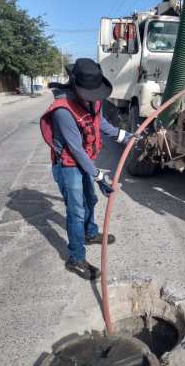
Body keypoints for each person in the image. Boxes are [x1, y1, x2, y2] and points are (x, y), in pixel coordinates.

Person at [40, 59, 143, 279]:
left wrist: (122, 135)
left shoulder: (92, 98)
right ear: (76, 85)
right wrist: (99, 176)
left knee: (90, 199)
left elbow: (98, 121)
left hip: (82, 160)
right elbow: (76, 150)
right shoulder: (63, 110)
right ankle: (75, 258)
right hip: (68, 165)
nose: (93, 96)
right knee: (76, 211)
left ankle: (89, 233)